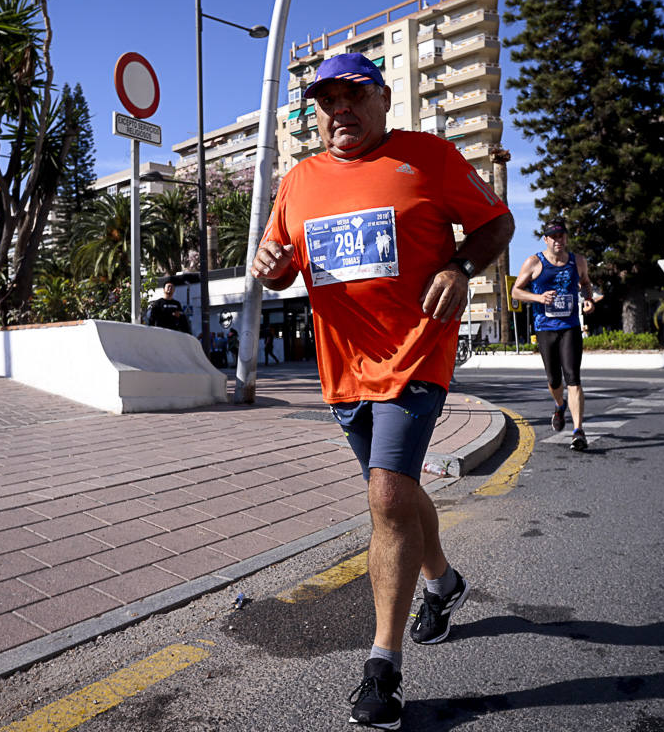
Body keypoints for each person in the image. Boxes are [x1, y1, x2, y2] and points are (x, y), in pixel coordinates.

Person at [249, 52, 514, 730]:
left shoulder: (428, 158)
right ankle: (444, 584)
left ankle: (382, 667)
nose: (340, 108)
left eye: (354, 94)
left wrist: (460, 266)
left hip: (418, 352)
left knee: (388, 493)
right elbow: (279, 269)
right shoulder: (300, 180)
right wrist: (269, 267)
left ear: (383, 99)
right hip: (343, 371)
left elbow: (496, 223)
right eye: (327, 100)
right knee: (394, 489)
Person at [511, 219, 597, 452]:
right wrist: (539, 298)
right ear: (546, 239)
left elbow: (586, 283)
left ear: (566, 238)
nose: (558, 240)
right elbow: (516, 291)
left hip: (570, 326)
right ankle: (560, 406)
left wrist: (588, 300)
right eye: (553, 237)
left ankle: (578, 431)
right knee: (554, 379)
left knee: (573, 377)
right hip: (545, 327)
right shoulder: (534, 262)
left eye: (561, 236)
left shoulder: (577, 261)